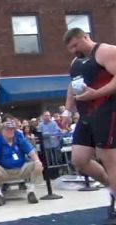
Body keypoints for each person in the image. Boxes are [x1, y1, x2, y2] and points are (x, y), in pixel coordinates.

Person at [62, 28, 116, 223]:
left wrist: (97, 93)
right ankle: (112, 188)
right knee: (79, 159)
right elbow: (72, 86)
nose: (74, 50)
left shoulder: (105, 51)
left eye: (76, 45)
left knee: (107, 157)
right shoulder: (76, 62)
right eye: (71, 48)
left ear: (85, 37)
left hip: (107, 109)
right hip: (86, 115)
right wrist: (67, 111)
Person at [0, 122, 43, 207]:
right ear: (2, 131)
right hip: (5, 171)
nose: (11, 131)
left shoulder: (19, 137)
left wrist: (37, 161)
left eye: (12, 129)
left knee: (37, 164)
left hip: (21, 169)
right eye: (8, 129)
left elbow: (31, 151)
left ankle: (31, 192)